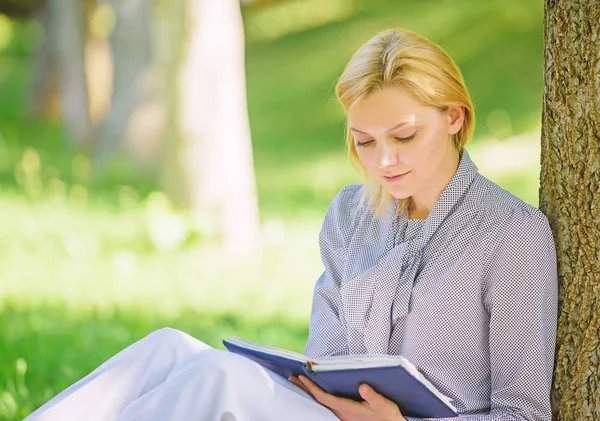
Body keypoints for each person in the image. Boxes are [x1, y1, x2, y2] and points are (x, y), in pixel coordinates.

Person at [23, 28, 557, 421]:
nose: (384, 161)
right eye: (365, 142)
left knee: (219, 378)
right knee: (166, 347)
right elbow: (321, 360)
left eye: (404, 136)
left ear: (454, 118)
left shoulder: (513, 236)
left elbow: (527, 416)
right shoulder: (351, 216)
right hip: (322, 412)